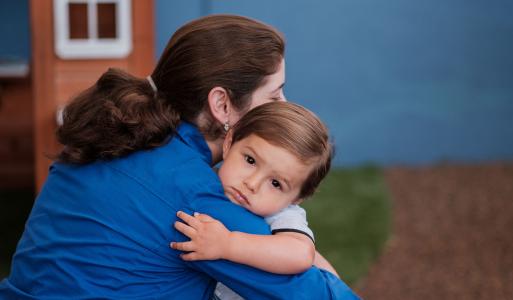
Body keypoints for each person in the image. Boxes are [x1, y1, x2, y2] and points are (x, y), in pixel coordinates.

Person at [0, 15, 358, 299]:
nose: (283, 106)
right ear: (222, 105)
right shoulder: (194, 197)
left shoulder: (109, 137)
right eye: (275, 94)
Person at [169, 101, 339, 299]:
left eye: (276, 183)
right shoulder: (204, 179)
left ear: (297, 198)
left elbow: (300, 254)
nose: (252, 183)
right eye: (250, 160)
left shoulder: (284, 215)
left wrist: (228, 244)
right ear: (229, 142)